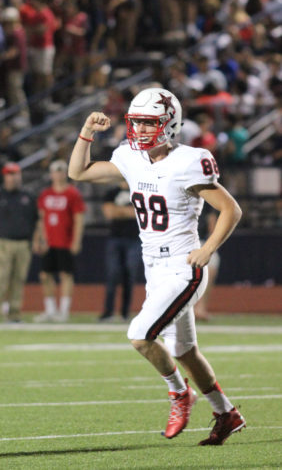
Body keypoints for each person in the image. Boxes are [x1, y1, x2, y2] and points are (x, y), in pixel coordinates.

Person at [68, 87, 246, 445]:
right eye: (137, 122)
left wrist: (208, 248)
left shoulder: (189, 160)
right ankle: (226, 413)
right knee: (183, 351)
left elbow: (231, 209)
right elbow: (79, 172)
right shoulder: (131, 157)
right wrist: (86, 132)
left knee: (140, 335)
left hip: (183, 266)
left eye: (149, 123)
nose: (141, 130)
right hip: (154, 267)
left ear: (169, 123)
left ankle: (179, 393)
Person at [33, 160, 86, 322]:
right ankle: (50, 309)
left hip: (65, 240)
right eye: (55, 171)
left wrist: (76, 240)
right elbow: (41, 219)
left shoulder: (72, 193)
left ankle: (63, 311)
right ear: (51, 174)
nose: (58, 175)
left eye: (61, 171)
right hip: (49, 241)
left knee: (65, 275)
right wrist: (38, 238)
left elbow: (78, 219)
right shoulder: (46, 194)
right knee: (44, 275)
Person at [0, 162, 38, 322]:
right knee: (2, 278)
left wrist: (37, 240)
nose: (13, 177)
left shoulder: (28, 196)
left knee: (19, 279)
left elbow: (37, 220)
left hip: (23, 244)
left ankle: (14, 314)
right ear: (5, 176)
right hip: (3, 243)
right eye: (10, 174)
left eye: (16, 173)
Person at [99, 180, 142, 322]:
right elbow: (110, 213)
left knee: (129, 275)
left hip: (135, 239)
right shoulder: (111, 193)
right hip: (115, 238)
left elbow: (143, 213)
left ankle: (125, 313)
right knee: (112, 274)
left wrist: (120, 211)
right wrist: (132, 212)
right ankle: (108, 312)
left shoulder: (139, 191)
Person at [194, 207, 220, 321]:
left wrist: (210, 246)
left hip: (201, 241)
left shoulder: (206, 199)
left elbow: (212, 224)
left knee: (212, 261)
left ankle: (201, 307)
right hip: (179, 241)